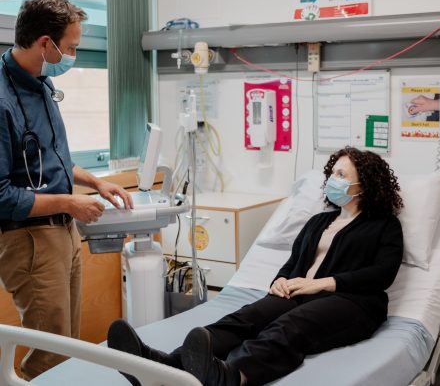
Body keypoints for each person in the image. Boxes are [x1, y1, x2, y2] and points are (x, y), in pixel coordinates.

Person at [108, 147, 404, 386]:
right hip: (299, 293)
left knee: (289, 327)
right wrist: (280, 280)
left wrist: (324, 283)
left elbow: (383, 273)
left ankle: (232, 375)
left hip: (353, 303)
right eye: (333, 173)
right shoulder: (319, 221)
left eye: (342, 174)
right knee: (245, 318)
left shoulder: (383, 225)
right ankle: (164, 367)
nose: (333, 179)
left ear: (363, 184)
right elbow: (292, 263)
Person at [0, 0, 133, 380]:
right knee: (50, 355)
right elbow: (2, 196)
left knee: (67, 347)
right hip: (29, 241)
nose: (74, 55)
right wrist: (71, 204)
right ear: (46, 43)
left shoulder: (39, 84)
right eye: (71, 47)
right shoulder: (3, 101)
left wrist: (95, 181)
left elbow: (49, 159)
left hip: (61, 232)